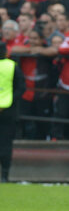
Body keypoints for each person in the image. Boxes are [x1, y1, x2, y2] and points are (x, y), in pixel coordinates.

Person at [0, 42, 25, 182]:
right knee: (5, 144)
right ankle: (4, 175)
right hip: (8, 110)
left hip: (7, 110)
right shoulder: (12, 66)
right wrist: (8, 102)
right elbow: (21, 88)